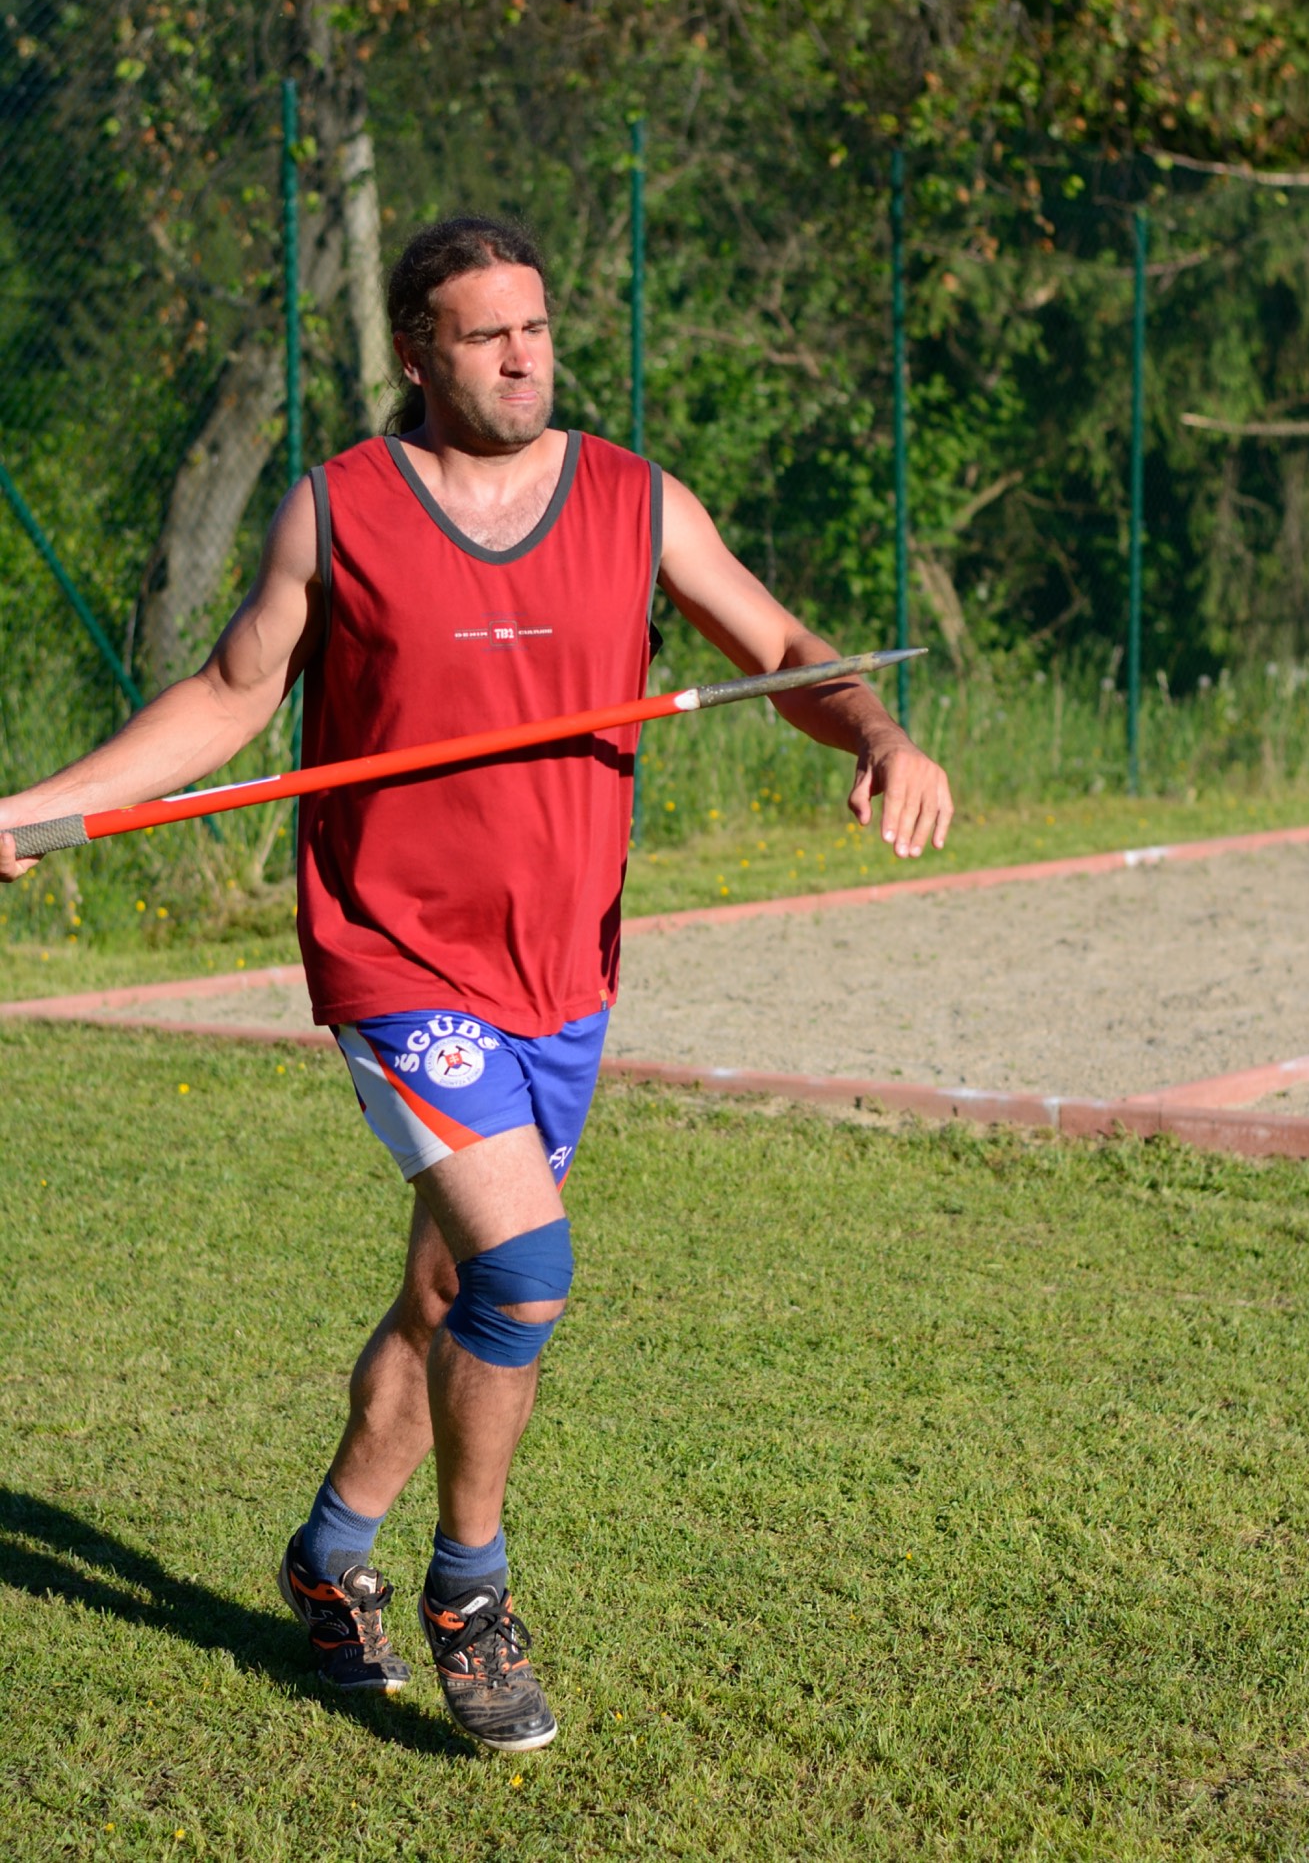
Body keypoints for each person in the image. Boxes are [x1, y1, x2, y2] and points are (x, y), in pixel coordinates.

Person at [0, 215, 953, 1752]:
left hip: (562, 969)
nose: (523, 357)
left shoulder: (636, 501)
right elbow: (231, 695)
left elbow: (781, 645)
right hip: (395, 954)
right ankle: (471, 1592)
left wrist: (882, 736)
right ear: (417, 354)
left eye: (537, 326)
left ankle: (327, 1560)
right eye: (486, 333)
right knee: (524, 1272)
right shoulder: (342, 512)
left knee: (447, 1291)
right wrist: (38, 808)